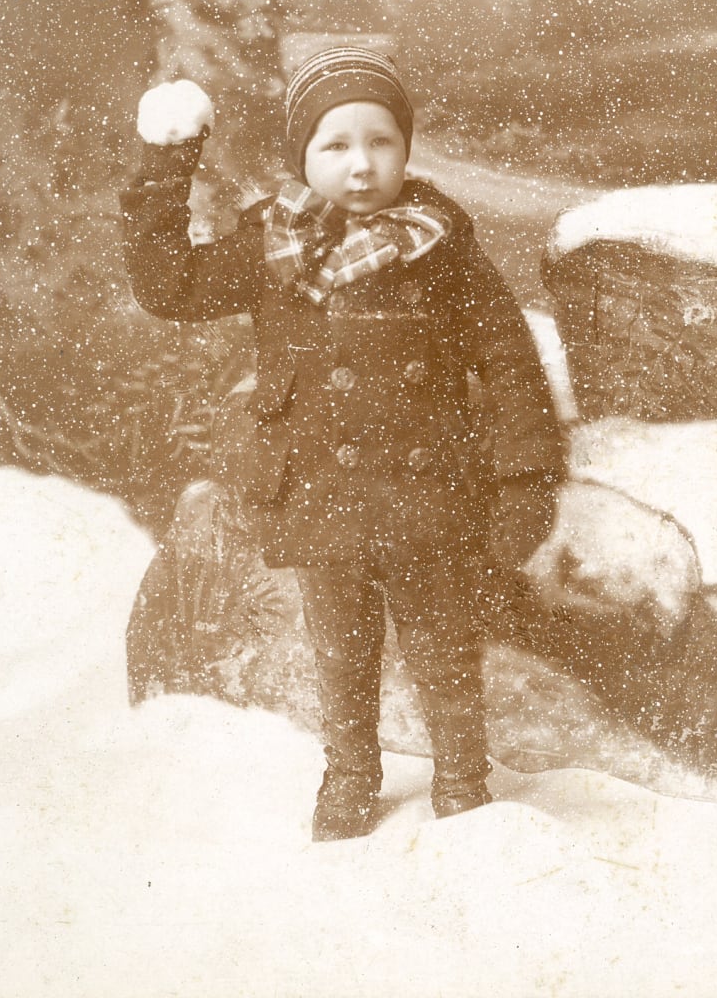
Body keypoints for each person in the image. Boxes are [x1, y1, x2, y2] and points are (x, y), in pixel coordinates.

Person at [120, 46, 564, 841]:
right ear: (303, 155)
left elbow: (508, 362)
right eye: (334, 145)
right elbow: (169, 287)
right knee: (340, 650)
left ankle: (463, 784)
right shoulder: (271, 242)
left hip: (426, 496)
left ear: (405, 146)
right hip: (315, 492)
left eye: (380, 141)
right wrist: (166, 168)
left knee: (443, 649)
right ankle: (351, 774)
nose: (361, 166)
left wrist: (524, 478)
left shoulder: (440, 243)